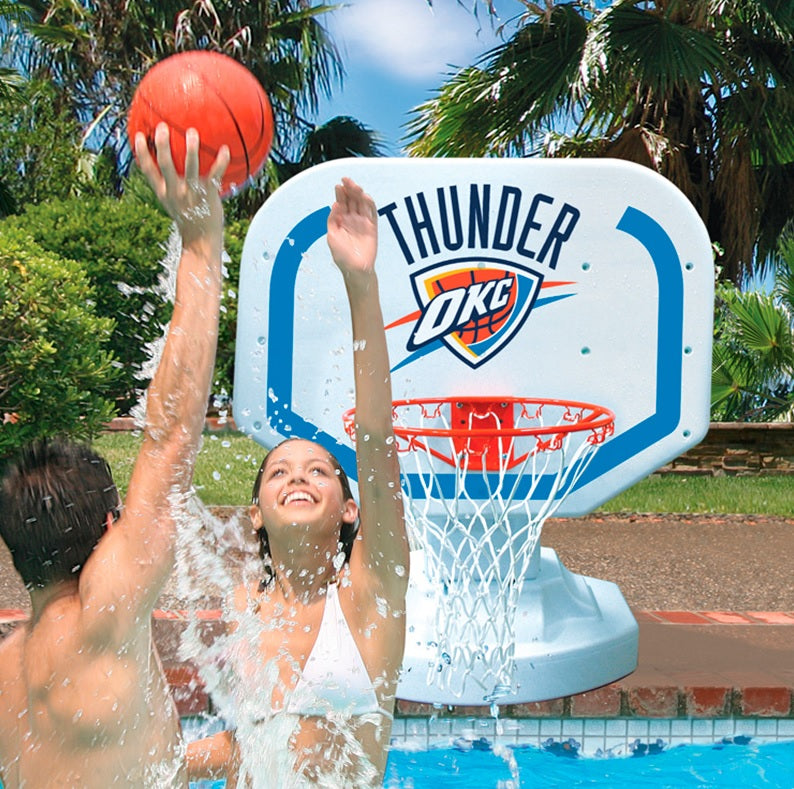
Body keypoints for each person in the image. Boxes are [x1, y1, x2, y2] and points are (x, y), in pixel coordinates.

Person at [0, 123, 229, 787]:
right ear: (109, 528)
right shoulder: (106, 611)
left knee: (233, 750)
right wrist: (201, 244)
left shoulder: (11, 666)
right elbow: (169, 432)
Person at [187, 178, 410, 786]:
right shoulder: (244, 608)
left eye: (318, 471)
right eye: (279, 471)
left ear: (348, 507)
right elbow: (251, 749)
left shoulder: (370, 595)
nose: (298, 477)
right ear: (256, 511)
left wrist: (360, 284)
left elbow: (374, 439)